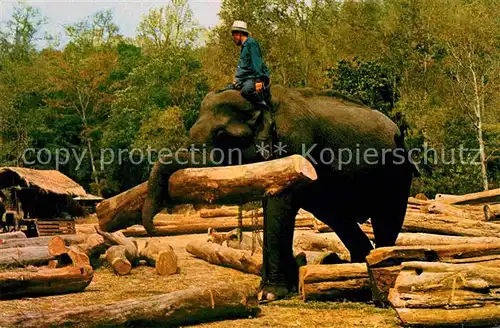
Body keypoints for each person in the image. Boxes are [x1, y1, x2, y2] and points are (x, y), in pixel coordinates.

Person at [230, 20, 274, 159]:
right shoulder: (244, 47)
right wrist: (237, 80)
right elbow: (244, 66)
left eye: (234, 35)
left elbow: (257, 62)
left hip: (253, 78)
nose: (233, 38)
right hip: (245, 78)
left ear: (239, 34)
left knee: (246, 91)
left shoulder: (251, 43)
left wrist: (259, 80)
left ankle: (262, 106)